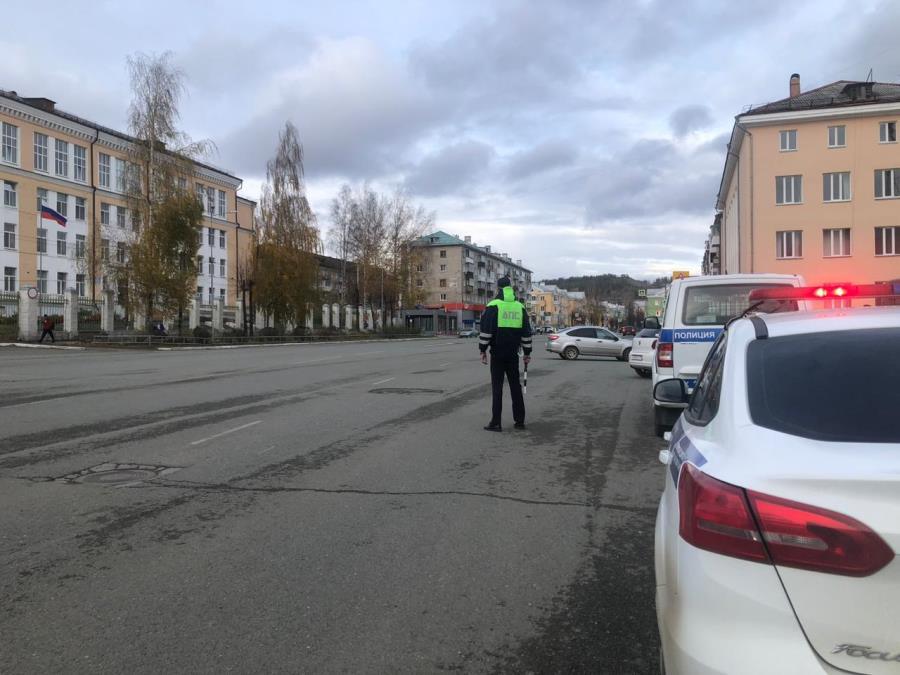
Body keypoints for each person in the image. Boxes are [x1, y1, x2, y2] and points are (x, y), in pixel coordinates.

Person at [478, 277, 532, 431]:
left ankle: (496, 422)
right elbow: (526, 333)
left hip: (497, 353)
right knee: (515, 386)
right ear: (510, 288)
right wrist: (527, 352)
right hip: (513, 354)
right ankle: (520, 421)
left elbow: (486, 331)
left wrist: (482, 350)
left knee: (497, 388)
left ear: (498, 289)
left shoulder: (493, 306)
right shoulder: (519, 307)